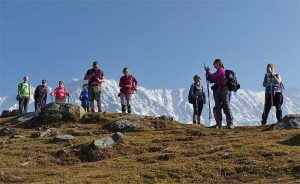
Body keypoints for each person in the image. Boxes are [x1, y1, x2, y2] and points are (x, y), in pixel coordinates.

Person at [205, 59, 234, 129]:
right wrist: (208, 75)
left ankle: (227, 123)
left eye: (214, 63)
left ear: (218, 63)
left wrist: (208, 72)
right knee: (219, 106)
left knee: (225, 106)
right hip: (220, 89)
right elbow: (213, 79)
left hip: (223, 89)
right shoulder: (220, 71)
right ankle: (222, 123)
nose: (213, 65)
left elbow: (212, 77)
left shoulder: (221, 70)